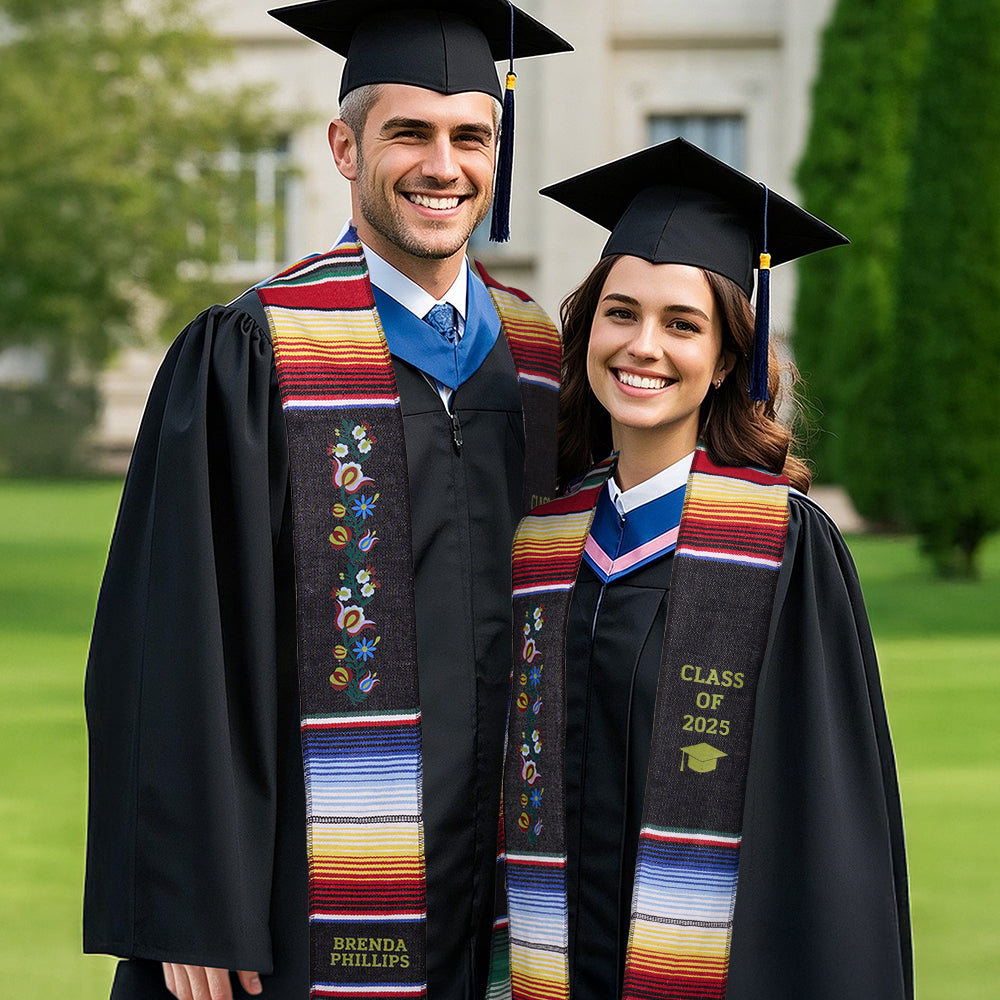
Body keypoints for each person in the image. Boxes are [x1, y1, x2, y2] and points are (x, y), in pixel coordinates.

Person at [83, 3, 572, 999]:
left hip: (503, 889)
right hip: (302, 898)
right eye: (409, 132)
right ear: (345, 148)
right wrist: (191, 903)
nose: (443, 165)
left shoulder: (540, 362)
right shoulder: (255, 352)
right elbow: (175, 638)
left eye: (470, 136)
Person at [498, 139, 913, 1000]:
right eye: (621, 313)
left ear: (727, 359)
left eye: (682, 324)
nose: (642, 346)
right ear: (588, 330)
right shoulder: (545, 545)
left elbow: (824, 832)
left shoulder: (779, 547)